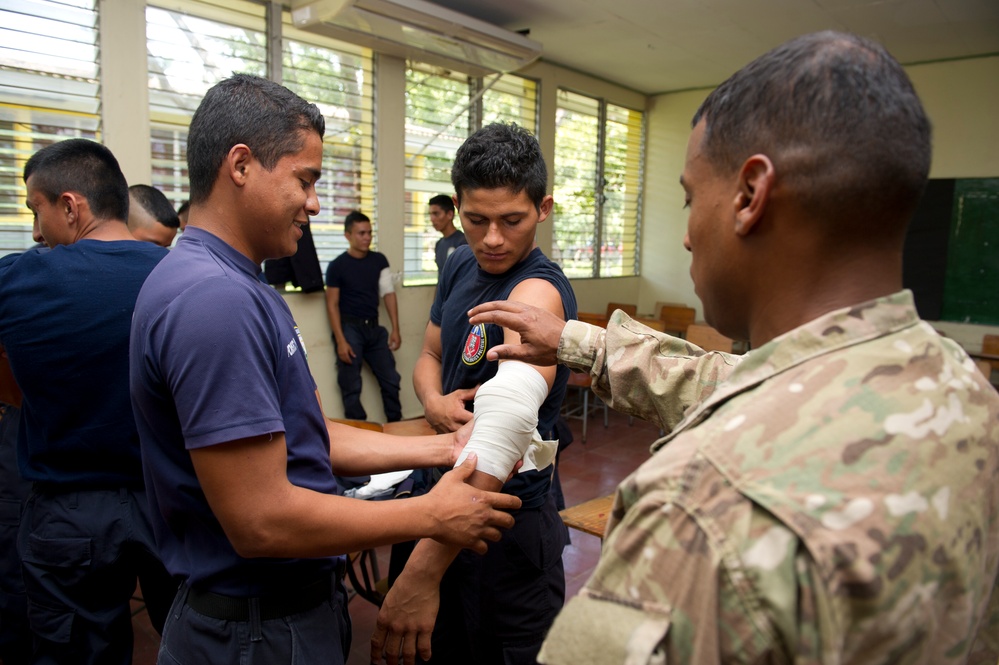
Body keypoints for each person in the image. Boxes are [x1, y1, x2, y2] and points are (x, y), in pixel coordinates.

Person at [468, 32, 999, 664]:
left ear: (749, 196)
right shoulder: (965, 393)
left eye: (692, 197)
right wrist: (583, 344)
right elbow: (746, 381)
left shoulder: (703, 505)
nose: (688, 236)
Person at [128, 73, 522, 665]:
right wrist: (428, 515)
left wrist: (440, 452)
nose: (315, 202)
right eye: (305, 179)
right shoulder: (214, 301)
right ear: (241, 166)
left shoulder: (241, 284)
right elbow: (261, 521)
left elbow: (311, 434)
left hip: (283, 614)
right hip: (255, 629)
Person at [372, 122, 578, 665]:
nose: (491, 238)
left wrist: (424, 568)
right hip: (433, 500)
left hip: (500, 525)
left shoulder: (539, 290)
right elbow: (430, 357)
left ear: (543, 208)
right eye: (475, 219)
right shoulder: (460, 261)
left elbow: (509, 414)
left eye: (511, 220)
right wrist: (435, 403)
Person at [0, 138, 175, 664]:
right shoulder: (185, 274)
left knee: (76, 652)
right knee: (195, 638)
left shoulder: (19, 280)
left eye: (37, 210)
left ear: (72, 206)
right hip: (171, 499)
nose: (36, 232)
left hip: (68, 511)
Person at [325, 210, 403, 422]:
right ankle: (358, 430)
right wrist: (341, 341)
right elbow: (331, 304)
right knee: (351, 385)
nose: (367, 237)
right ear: (348, 235)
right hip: (350, 330)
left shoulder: (379, 260)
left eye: (369, 232)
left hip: (375, 330)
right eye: (361, 233)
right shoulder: (337, 266)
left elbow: (388, 293)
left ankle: (396, 426)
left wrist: (395, 328)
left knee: (391, 380)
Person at [428, 193, 465, 279]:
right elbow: (441, 278)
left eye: (436, 214)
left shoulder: (463, 242)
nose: (432, 219)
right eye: (430, 214)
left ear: (450, 214)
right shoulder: (439, 244)